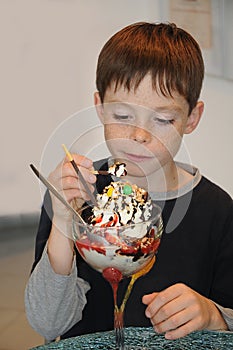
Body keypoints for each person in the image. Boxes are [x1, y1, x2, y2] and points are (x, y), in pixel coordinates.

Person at [25, 22, 233, 342]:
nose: (139, 136)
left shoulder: (218, 211)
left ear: (192, 117)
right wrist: (64, 222)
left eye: (163, 119)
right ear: (100, 107)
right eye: (122, 116)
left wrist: (213, 314)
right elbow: (47, 323)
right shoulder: (74, 191)